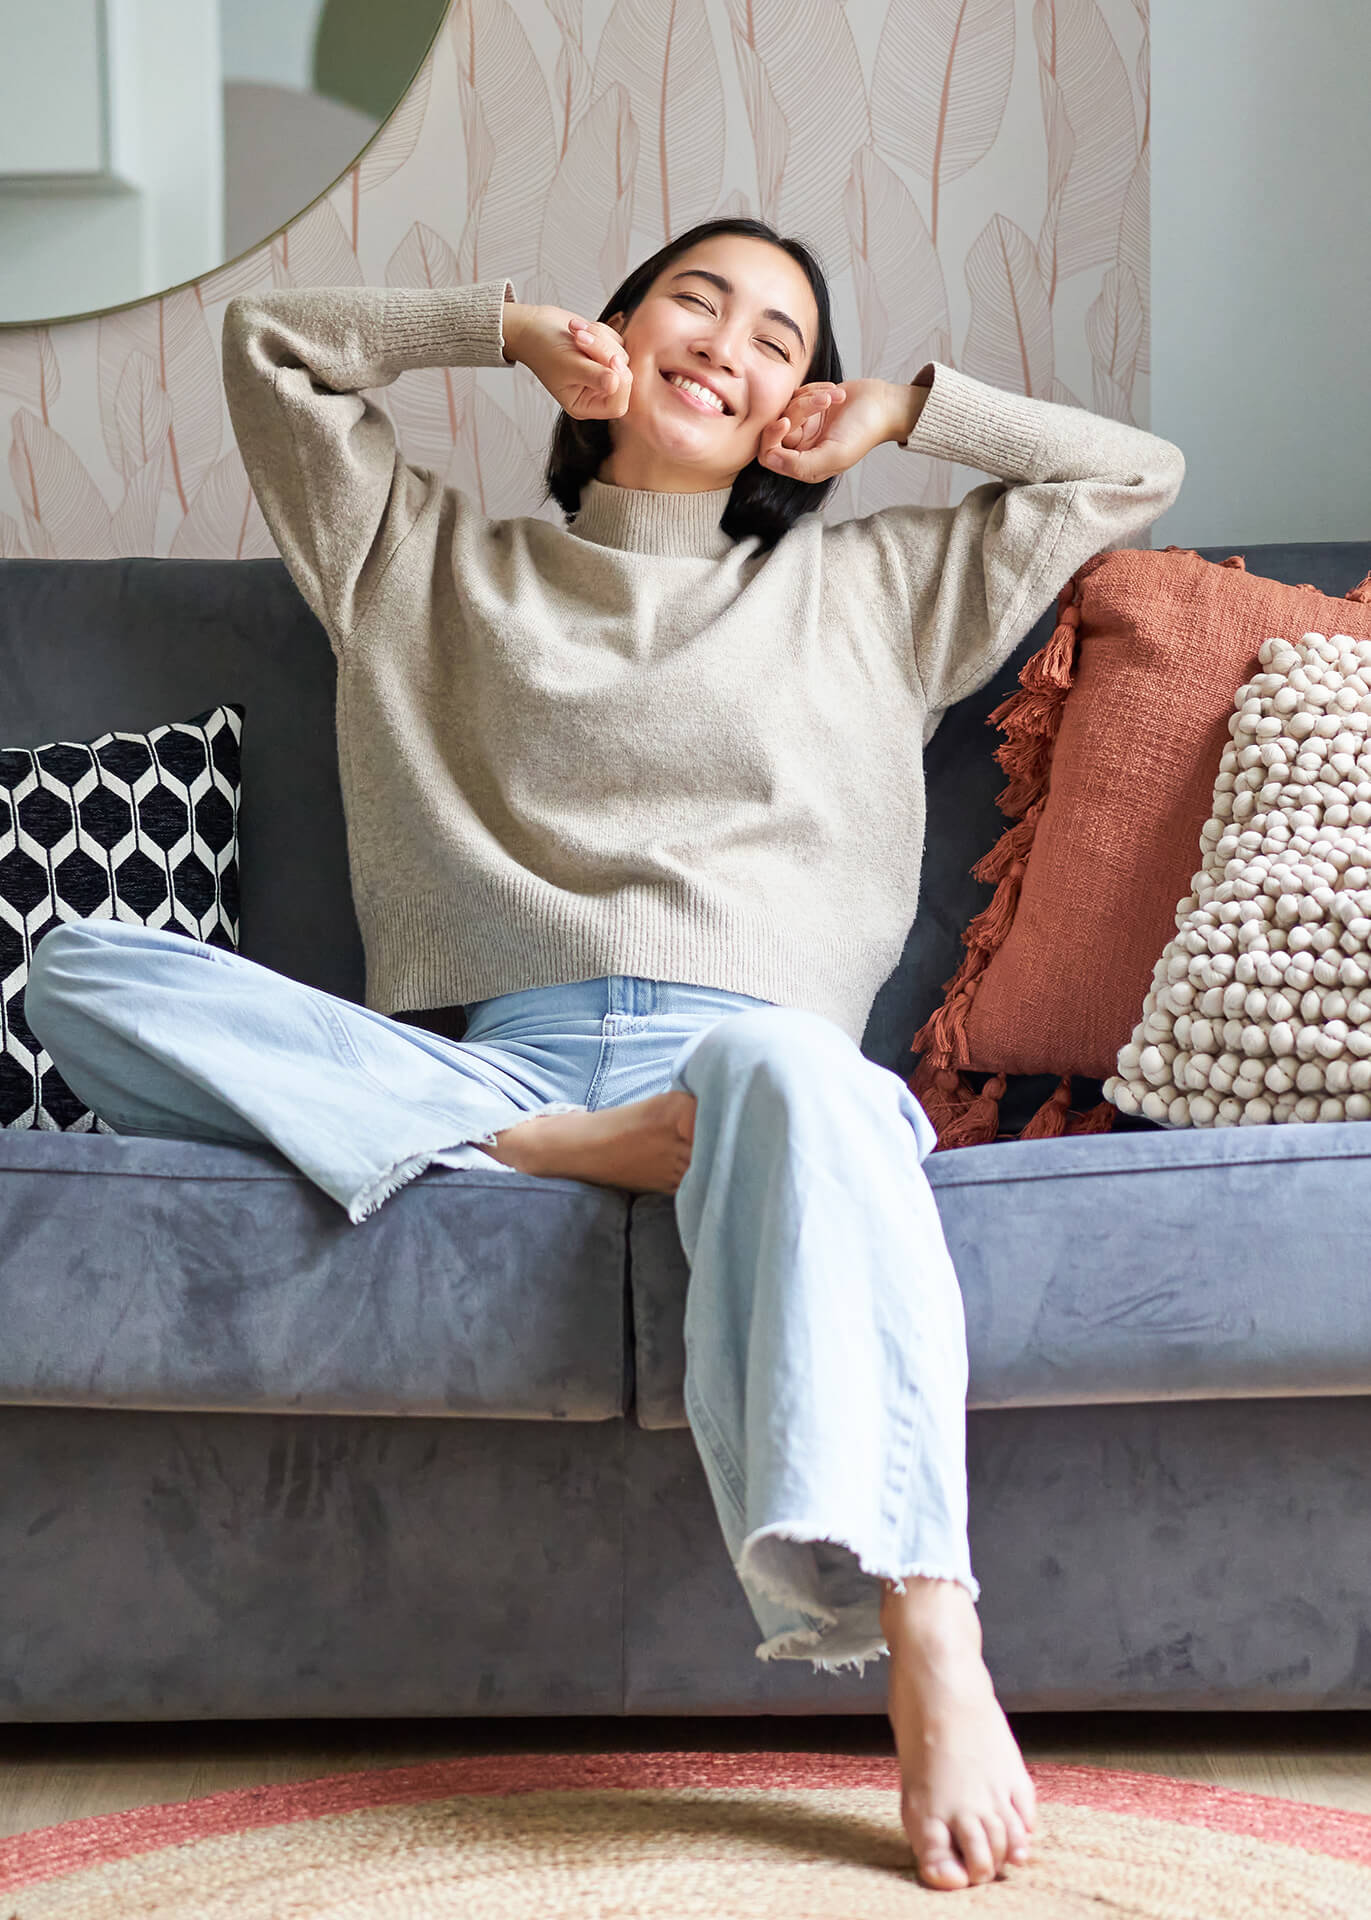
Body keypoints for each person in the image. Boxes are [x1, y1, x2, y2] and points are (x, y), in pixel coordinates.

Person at [25, 216, 1185, 1891]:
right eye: (694, 301)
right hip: (489, 1073)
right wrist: (492, 328)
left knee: (801, 1084)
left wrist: (909, 411)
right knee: (75, 966)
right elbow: (272, 346)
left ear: (805, 398)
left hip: (749, 1072)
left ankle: (931, 1630)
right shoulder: (416, 564)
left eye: (782, 335)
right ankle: (548, 1150)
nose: (731, 341)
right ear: (613, 336)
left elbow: (1128, 472)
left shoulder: (876, 589)